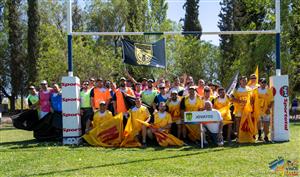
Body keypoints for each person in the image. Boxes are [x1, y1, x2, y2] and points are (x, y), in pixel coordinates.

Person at [232, 76, 255, 143]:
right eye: (243, 80)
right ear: (240, 81)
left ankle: (248, 137)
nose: (244, 82)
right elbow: (233, 99)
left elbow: (252, 98)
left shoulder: (249, 89)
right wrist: (241, 102)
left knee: (247, 122)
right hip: (239, 109)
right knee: (238, 123)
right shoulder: (236, 89)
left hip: (247, 109)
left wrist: (250, 104)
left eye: (245, 80)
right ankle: (238, 137)